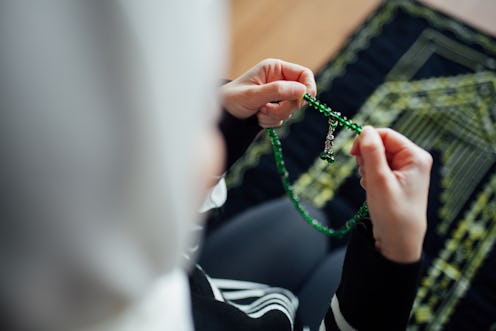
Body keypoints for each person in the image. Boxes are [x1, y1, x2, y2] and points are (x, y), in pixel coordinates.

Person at [0, 1, 432, 331]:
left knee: (301, 222)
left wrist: (226, 113)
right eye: (193, 127)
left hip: (206, 286)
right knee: (328, 265)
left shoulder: (66, 265)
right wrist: (395, 258)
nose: (209, 136)